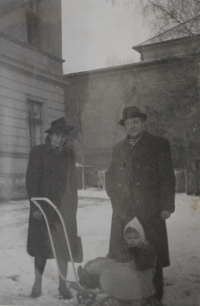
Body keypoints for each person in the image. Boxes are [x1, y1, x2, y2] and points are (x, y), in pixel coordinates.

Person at [106, 106, 175, 302]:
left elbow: (167, 177)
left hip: (150, 210)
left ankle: (155, 297)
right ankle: (128, 295)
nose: (132, 126)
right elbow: (110, 177)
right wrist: (115, 201)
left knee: (152, 255)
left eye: (136, 122)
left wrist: (166, 206)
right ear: (124, 126)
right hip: (123, 211)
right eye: (128, 123)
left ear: (143, 123)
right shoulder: (118, 149)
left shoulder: (158, 144)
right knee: (125, 256)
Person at [26, 117, 78, 299]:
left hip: (63, 208)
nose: (60, 139)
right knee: (40, 249)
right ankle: (37, 285)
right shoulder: (38, 152)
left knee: (63, 248)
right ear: (51, 135)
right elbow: (31, 181)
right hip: (43, 208)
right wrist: (35, 207)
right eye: (57, 135)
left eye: (63, 136)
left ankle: (63, 286)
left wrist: (73, 209)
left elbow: (73, 183)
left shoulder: (69, 154)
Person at [77, 217, 156, 291]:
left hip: (133, 276)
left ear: (141, 237)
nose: (132, 240)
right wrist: (112, 256)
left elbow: (148, 263)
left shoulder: (144, 249)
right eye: (129, 238)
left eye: (135, 238)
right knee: (103, 262)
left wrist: (137, 264)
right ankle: (87, 274)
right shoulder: (127, 247)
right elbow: (119, 255)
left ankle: (88, 279)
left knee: (105, 273)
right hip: (124, 270)